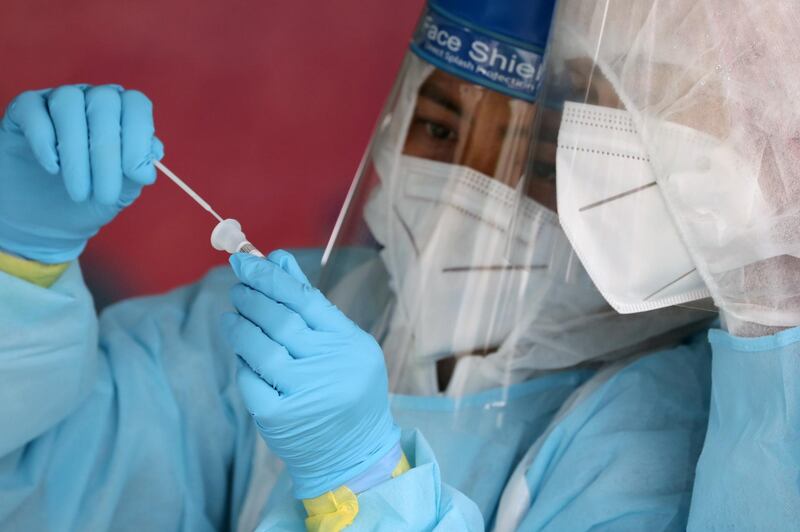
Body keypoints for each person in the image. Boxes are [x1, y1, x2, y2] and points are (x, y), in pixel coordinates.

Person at [1, 3, 797, 532]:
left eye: (548, 164)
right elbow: (42, 489)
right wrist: (19, 267)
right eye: (442, 131)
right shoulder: (292, 321)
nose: (470, 193)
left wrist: (364, 483)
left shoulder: (660, 443)